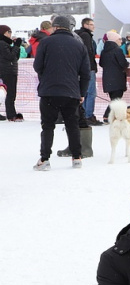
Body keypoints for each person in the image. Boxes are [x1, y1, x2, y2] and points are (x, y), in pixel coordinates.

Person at [32, 15, 91, 171]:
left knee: (47, 126)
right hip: (71, 92)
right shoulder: (79, 45)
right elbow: (86, 73)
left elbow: (37, 66)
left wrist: (46, 76)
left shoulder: (45, 42)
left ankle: (44, 159)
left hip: (49, 91)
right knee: (72, 125)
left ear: (56, 27)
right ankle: (77, 157)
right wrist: (82, 92)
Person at [99, 30, 129, 122]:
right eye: (119, 39)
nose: (121, 41)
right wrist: (127, 63)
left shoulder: (104, 51)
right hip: (117, 78)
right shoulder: (118, 50)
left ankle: (112, 116)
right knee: (116, 100)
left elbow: (101, 63)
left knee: (114, 98)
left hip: (107, 79)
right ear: (114, 40)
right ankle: (107, 115)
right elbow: (123, 63)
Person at [76, 18, 99, 125]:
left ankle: (84, 114)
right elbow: (88, 53)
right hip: (88, 68)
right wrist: (90, 66)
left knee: (85, 92)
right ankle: (88, 115)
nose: (93, 26)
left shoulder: (79, 35)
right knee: (90, 92)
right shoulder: (85, 36)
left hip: (83, 68)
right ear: (85, 25)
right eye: (91, 24)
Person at [0, 24, 23, 121]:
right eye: (8, 32)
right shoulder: (2, 43)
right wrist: (16, 46)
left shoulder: (6, 44)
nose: (10, 34)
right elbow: (10, 56)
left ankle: (11, 113)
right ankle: (11, 114)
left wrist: (15, 46)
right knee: (10, 93)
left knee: (10, 93)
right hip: (7, 71)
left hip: (9, 70)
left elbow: (15, 57)